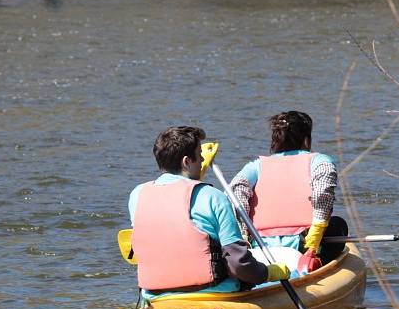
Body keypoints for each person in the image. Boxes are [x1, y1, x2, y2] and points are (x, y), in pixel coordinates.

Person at [128, 126, 290, 298]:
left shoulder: (137, 195)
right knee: (248, 278)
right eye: (199, 154)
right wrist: (267, 273)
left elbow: (170, 232)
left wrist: (194, 174)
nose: (203, 158)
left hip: (154, 295)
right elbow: (238, 264)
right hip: (212, 292)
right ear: (186, 162)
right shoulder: (214, 197)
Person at [230, 111, 348, 274]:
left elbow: (234, 193)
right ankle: (315, 261)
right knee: (338, 225)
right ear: (306, 138)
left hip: (260, 244)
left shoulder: (256, 165)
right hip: (304, 244)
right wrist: (316, 235)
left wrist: (243, 234)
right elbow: (323, 195)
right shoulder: (320, 161)